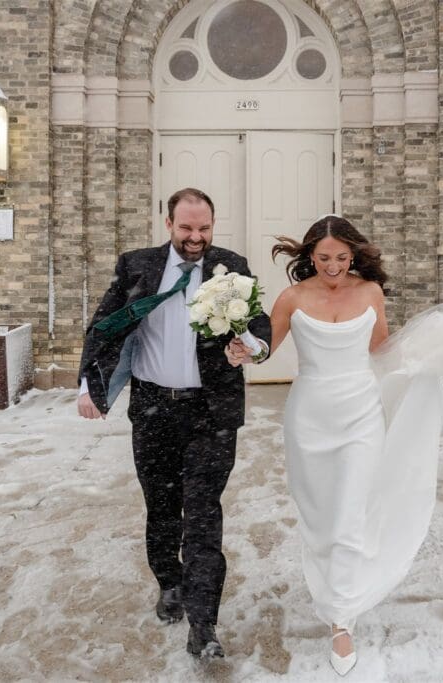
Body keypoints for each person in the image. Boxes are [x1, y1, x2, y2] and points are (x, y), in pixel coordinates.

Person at [227, 215, 443, 676]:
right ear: (309, 256)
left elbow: (381, 350)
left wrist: (429, 355)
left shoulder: (370, 293)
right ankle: (332, 588)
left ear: (353, 255)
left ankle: (341, 621)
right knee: (320, 515)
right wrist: (243, 349)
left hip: (361, 415)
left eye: (342, 258)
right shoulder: (291, 298)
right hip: (309, 418)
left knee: (348, 512)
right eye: (324, 258)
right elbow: (266, 346)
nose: (333, 267)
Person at [78, 188, 272, 660]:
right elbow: (105, 323)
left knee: (203, 515)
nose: (195, 237)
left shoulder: (231, 266)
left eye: (204, 228)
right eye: (186, 228)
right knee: (162, 507)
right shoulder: (137, 265)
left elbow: (259, 324)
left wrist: (252, 346)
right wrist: (90, 387)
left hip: (211, 414)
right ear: (168, 224)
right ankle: (169, 582)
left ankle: (204, 625)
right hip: (152, 411)